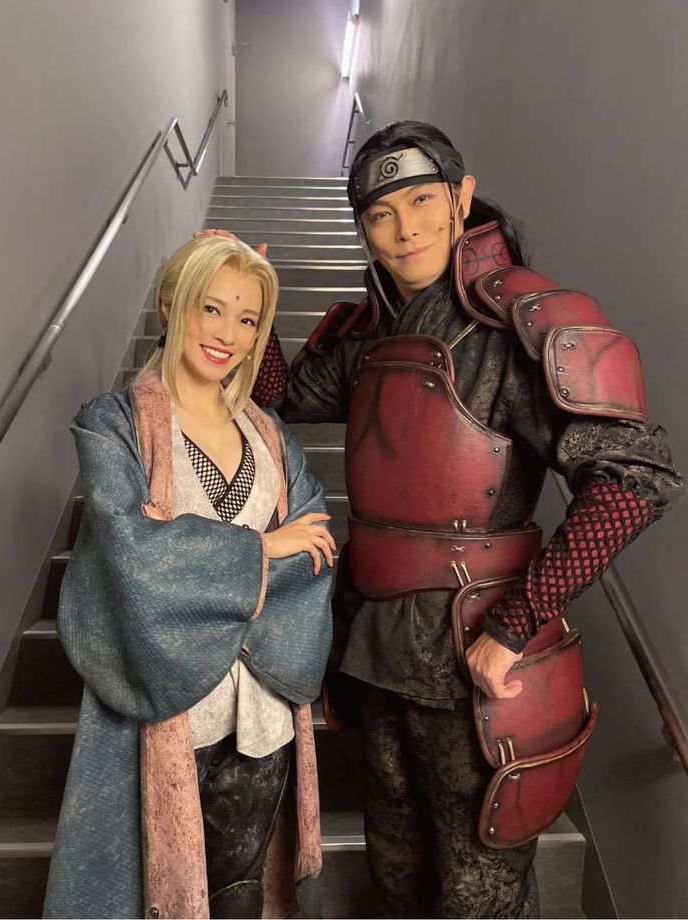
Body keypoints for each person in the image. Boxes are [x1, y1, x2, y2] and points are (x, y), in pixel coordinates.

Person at [229, 120, 684, 918]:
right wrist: (250, 303)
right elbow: (275, 399)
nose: (404, 230)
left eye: (420, 200)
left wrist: (516, 624)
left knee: (479, 896)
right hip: (373, 648)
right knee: (396, 874)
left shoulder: (523, 327)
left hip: (477, 661)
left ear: (460, 198)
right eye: (379, 214)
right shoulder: (367, 338)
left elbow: (634, 479)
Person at [44, 236, 335, 920]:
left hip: (262, 712)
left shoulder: (270, 435)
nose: (227, 334)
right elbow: (130, 554)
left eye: (246, 319)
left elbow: (317, 547)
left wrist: (211, 568)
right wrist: (262, 550)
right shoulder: (113, 426)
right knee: (155, 893)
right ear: (173, 305)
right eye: (211, 308)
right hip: (164, 700)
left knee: (240, 889)